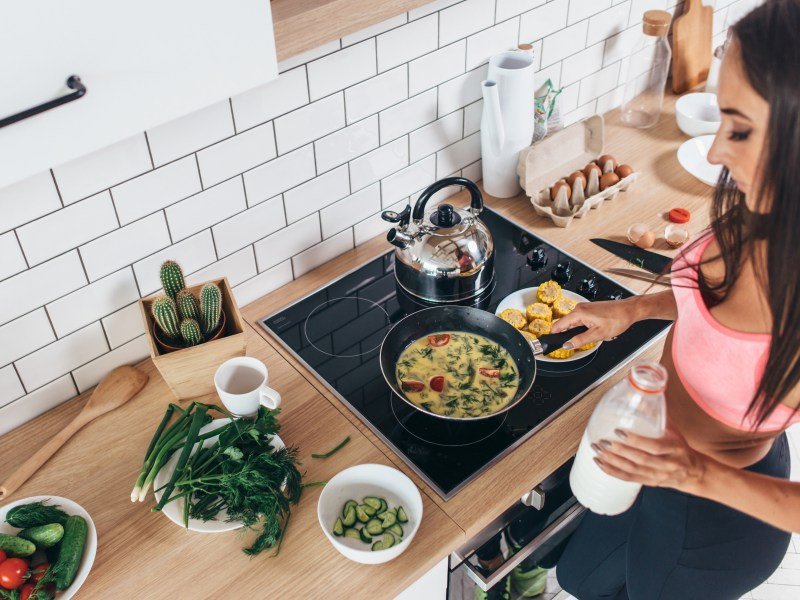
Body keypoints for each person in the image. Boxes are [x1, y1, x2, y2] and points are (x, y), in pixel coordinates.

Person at [550, 1, 800, 598]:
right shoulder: (766, 208)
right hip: (658, 455)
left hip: (717, 511)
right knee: (575, 579)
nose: (715, 153)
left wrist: (691, 472)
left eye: (738, 129)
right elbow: (709, 302)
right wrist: (633, 309)